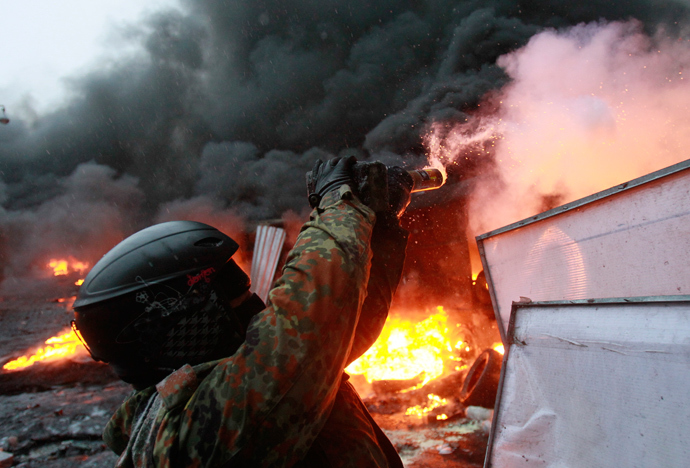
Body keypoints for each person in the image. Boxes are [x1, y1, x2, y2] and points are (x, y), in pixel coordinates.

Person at [72, 157, 413, 467]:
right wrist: (339, 203)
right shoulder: (194, 432)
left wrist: (380, 226)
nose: (248, 301)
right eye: (230, 294)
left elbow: (337, 324)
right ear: (179, 325)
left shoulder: (227, 392)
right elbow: (302, 328)